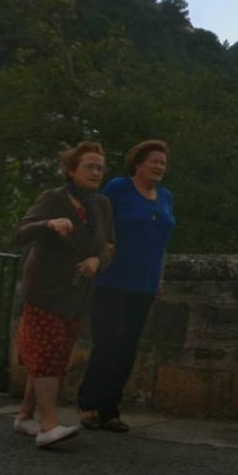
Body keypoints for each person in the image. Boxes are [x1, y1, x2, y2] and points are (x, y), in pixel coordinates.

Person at [12, 142, 116, 448]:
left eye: (100, 167)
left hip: (77, 294)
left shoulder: (103, 205)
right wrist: (47, 224)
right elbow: (19, 233)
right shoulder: (54, 199)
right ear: (71, 170)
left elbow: (109, 245)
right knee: (46, 355)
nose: (96, 172)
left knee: (55, 355)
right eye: (89, 166)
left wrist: (99, 261)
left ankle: (24, 417)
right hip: (46, 289)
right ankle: (48, 425)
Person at [77, 139, 176, 432]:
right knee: (108, 343)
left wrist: (158, 277)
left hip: (143, 283)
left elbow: (161, 242)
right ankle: (88, 405)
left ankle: (110, 410)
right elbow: (97, 221)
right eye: (154, 161)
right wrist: (99, 251)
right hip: (113, 278)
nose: (160, 167)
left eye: (163, 163)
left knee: (127, 348)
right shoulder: (119, 188)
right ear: (138, 163)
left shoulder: (165, 196)